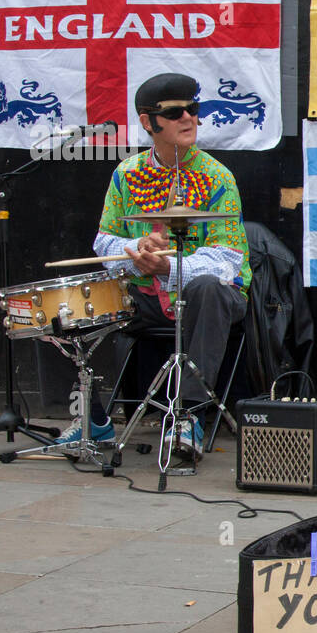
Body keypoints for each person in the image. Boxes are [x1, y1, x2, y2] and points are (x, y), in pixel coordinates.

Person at [56, 72, 250, 459]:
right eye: (175, 112)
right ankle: (93, 417)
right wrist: (136, 248)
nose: (188, 119)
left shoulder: (217, 177)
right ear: (148, 122)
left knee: (208, 287)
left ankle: (187, 414)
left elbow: (227, 260)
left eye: (192, 110)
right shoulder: (126, 174)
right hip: (145, 296)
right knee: (69, 301)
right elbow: (104, 242)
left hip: (207, 299)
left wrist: (168, 267)